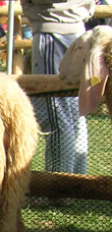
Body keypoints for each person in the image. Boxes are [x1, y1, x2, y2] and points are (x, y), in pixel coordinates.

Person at [21, 0, 95, 181]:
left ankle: (57, 184)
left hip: (54, 30)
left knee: (54, 113)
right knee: (73, 111)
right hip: (70, 26)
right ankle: (76, 180)